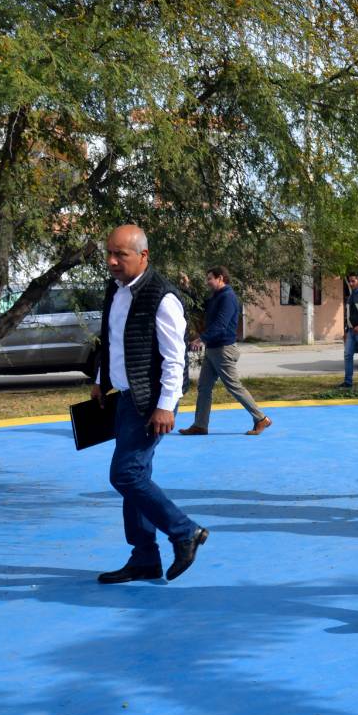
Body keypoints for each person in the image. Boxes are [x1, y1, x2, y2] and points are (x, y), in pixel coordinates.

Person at [92, 225, 209, 584]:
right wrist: (101, 382)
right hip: (124, 399)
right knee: (136, 478)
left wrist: (164, 406)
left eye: (120, 255)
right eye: (109, 253)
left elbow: (176, 360)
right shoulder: (115, 290)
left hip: (149, 403)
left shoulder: (163, 297)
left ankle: (184, 531)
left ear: (143, 256)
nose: (112, 261)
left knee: (125, 474)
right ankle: (144, 558)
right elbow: (111, 342)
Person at [178, 266, 272, 436]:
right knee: (204, 387)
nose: (207, 282)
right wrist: (188, 288)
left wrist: (202, 339)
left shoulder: (227, 297)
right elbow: (201, 307)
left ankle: (261, 418)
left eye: (209, 279)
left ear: (220, 278)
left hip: (223, 350)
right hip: (213, 349)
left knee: (234, 386)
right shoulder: (216, 296)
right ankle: (200, 425)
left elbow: (221, 326)